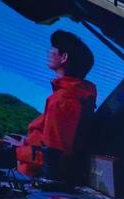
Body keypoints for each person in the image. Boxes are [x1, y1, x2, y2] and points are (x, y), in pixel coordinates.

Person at [12, 30, 96, 179]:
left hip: (34, 178)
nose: (49, 51)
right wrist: (26, 143)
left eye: (53, 48)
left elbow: (53, 158)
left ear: (64, 57)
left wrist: (14, 151)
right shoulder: (74, 96)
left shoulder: (62, 99)